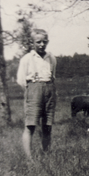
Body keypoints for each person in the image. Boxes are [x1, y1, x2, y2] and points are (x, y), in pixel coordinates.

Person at [16, 29, 57, 159]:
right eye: (38, 42)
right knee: (30, 126)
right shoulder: (27, 59)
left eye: (44, 42)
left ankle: (46, 155)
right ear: (32, 42)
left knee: (47, 126)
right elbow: (21, 81)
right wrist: (32, 92)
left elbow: (53, 76)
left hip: (49, 91)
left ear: (48, 42)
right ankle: (29, 159)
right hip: (33, 91)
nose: (41, 44)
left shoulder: (51, 58)